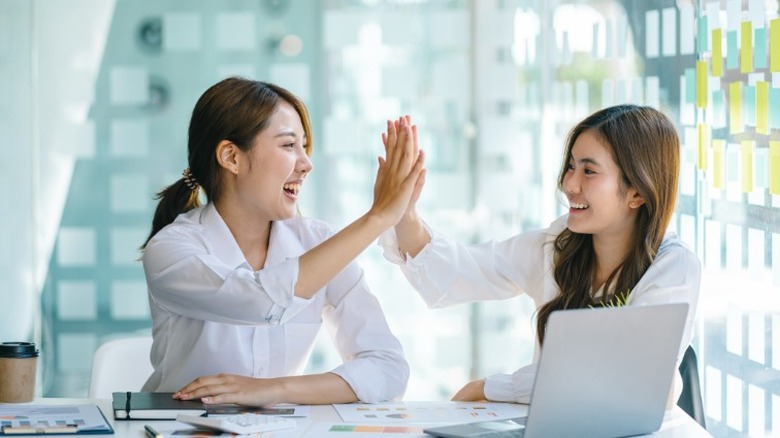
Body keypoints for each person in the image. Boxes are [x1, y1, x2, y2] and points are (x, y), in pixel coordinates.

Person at [380, 105, 700, 405]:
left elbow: (627, 377)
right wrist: (403, 213)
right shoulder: (557, 247)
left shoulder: (673, 267)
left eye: (589, 171)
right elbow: (457, 272)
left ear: (638, 193)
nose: (568, 184)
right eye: (571, 166)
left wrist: (493, 387)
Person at [140, 77, 424, 406]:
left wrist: (274, 390)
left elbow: (388, 369)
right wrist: (377, 218)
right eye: (289, 146)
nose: (306, 164)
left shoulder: (318, 242)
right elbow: (261, 300)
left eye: (305, 147)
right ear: (231, 157)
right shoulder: (171, 250)